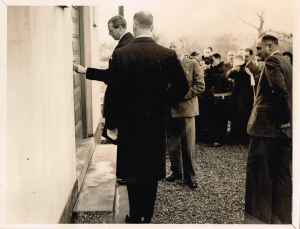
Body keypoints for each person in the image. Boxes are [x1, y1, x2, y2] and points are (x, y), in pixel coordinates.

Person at [111, 11, 189, 223]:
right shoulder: (167, 54)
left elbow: (114, 92)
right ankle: (147, 215)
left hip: (129, 123)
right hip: (156, 121)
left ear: (135, 26)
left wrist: (112, 121)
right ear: (151, 26)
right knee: (151, 169)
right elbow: (183, 86)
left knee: (133, 169)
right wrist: (163, 100)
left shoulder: (122, 54)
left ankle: (135, 215)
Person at [245, 33, 292, 224]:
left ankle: (261, 218)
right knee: (280, 174)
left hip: (267, 129)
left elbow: (279, 91)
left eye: (259, 48)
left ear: (270, 45)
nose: (257, 52)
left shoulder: (272, 60)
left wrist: (283, 120)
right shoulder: (286, 62)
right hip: (280, 130)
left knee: (261, 175)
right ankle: (281, 216)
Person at [74, 15, 134, 145]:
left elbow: (112, 76)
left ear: (121, 27)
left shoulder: (124, 47)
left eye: (111, 30)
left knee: (124, 144)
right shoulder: (127, 43)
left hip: (122, 105)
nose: (109, 34)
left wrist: (86, 71)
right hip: (127, 105)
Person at [165, 51, 205, 189]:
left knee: (188, 146)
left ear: (182, 47)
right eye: (170, 46)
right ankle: (176, 171)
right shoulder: (166, 63)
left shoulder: (192, 63)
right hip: (170, 110)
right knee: (172, 144)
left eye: (176, 46)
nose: (173, 49)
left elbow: (200, 85)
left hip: (186, 110)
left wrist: (182, 95)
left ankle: (190, 176)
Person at [227, 52, 254, 144]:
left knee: (244, 114)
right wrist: (234, 69)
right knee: (236, 114)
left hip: (246, 95)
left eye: (246, 56)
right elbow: (229, 75)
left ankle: (244, 137)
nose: (245, 58)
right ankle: (236, 136)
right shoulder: (238, 68)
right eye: (244, 56)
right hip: (237, 94)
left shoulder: (251, 67)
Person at [209, 53, 233, 146]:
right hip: (215, 97)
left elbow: (220, 80)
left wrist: (211, 70)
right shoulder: (214, 69)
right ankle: (216, 138)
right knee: (215, 119)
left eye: (213, 60)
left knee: (221, 119)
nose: (211, 62)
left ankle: (219, 139)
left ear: (218, 59)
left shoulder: (223, 69)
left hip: (223, 98)